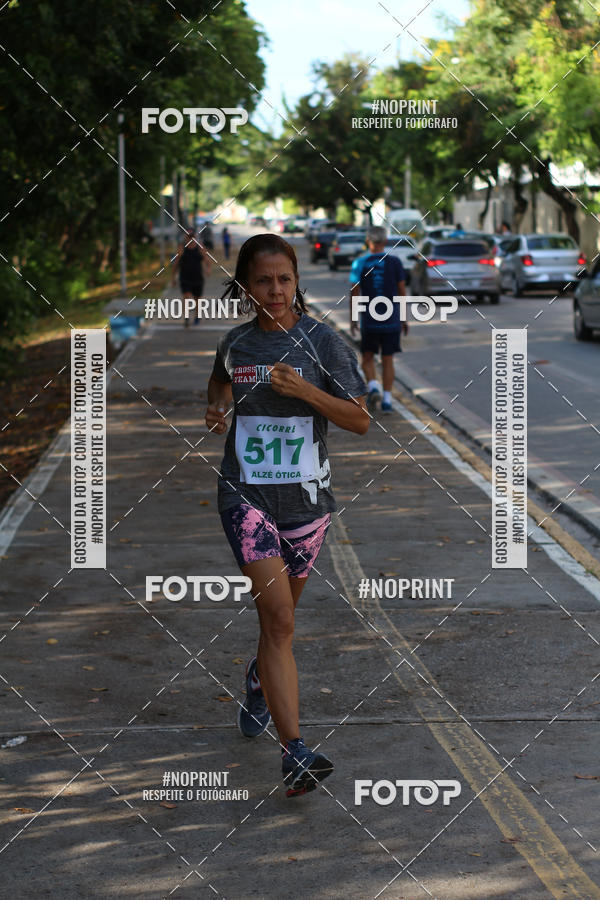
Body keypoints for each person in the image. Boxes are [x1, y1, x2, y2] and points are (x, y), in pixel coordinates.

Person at [205, 233, 369, 797]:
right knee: (278, 621)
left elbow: (359, 420)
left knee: (279, 622)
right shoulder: (236, 343)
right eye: (263, 281)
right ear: (245, 287)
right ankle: (295, 752)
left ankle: (259, 678)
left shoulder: (324, 343)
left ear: (296, 282)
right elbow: (219, 381)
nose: (274, 290)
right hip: (245, 497)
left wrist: (306, 391)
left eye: (284, 279)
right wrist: (215, 408)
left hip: (306, 505)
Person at [349, 225, 408, 414]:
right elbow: (402, 291)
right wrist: (404, 318)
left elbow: (354, 293)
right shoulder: (395, 262)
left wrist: (353, 319)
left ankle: (374, 386)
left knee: (367, 357)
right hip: (392, 320)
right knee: (388, 359)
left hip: (370, 320)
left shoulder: (359, 263)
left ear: (368, 241)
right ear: (385, 241)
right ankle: (387, 401)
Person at [172, 228, 211, 327]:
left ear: (195, 237)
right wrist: (173, 277)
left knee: (197, 299)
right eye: (188, 237)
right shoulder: (182, 248)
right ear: (186, 237)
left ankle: (197, 316)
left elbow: (207, 260)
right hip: (185, 277)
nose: (190, 239)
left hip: (197, 277)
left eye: (192, 237)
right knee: (186, 296)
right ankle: (186, 318)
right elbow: (176, 263)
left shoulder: (200, 247)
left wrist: (208, 269)